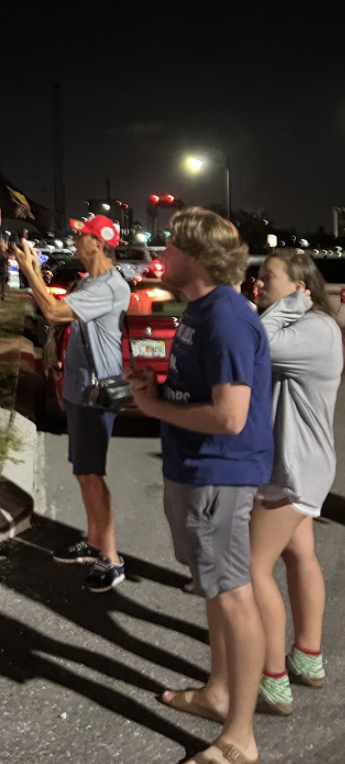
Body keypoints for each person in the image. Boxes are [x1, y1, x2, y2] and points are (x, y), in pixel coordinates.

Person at [128, 207, 273, 764]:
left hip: (219, 472)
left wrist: (155, 406)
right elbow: (200, 391)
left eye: (169, 248)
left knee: (234, 595)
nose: (160, 257)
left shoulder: (228, 318)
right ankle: (217, 693)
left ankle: (240, 738)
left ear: (195, 256)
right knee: (214, 588)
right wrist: (157, 388)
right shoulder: (200, 311)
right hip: (195, 470)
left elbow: (231, 416)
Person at [248, 249, 342, 715]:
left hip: (294, 468)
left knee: (251, 568)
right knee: (299, 554)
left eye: (269, 278)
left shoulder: (315, 328)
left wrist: (284, 308)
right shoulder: (308, 325)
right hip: (299, 463)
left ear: (301, 286)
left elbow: (257, 346)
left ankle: (273, 678)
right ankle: (307, 656)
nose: (259, 284)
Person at [14, 215, 129, 593]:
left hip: (96, 393)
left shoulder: (110, 286)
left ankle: (111, 558)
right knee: (83, 471)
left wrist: (29, 269)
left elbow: (53, 312)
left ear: (98, 243)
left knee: (93, 475)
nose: (76, 241)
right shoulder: (89, 281)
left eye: (82, 236)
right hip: (79, 389)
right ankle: (93, 540)